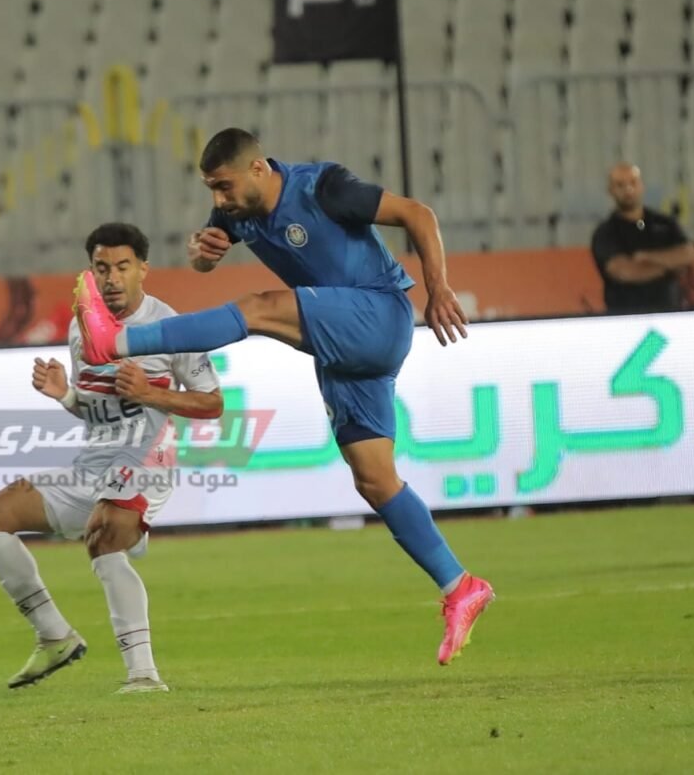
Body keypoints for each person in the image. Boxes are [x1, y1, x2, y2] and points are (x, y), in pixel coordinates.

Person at [73, 128, 493, 666]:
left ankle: (117, 340)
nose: (218, 203)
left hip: (377, 314)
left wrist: (438, 287)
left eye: (223, 188)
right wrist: (205, 254)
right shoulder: (233, 212)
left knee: (259, 307)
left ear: (257, 171)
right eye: (210, 191)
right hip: (342, 349)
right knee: (374, 479)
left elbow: (419, 214)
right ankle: (460, 586)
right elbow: (207, 256)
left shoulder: (325, 188)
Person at [0, 222, 223, 693]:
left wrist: (152, 393)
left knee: (103, 539)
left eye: (122, 266)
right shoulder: (81, 328)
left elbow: (212, 403)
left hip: (148, 463)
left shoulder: (170, 328)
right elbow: (98, 409)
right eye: (101, 267)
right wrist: (66, 395)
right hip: (93, 466)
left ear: (143, 269)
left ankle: (143, 674)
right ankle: (54, 635)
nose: (111, 278)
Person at [591, 163, 694, 314]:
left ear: (641, 185)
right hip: (626, 320)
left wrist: (646, 257)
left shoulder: (665, 223)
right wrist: (669, 267)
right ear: (610, 190)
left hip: (670, 317)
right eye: (620, 185)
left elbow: (688, 254)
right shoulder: (605, 232)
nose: (628, 189)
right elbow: (624, 272)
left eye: (633, 182)